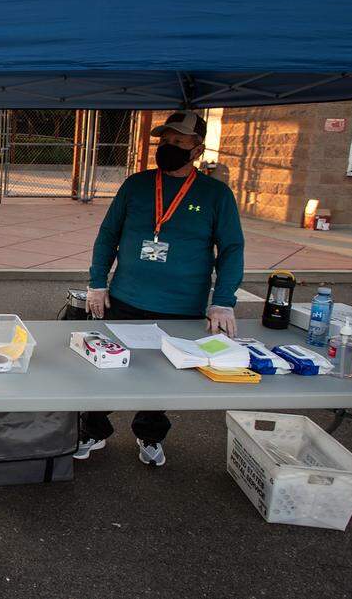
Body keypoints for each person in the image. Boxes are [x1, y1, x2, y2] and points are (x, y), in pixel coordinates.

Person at [80, 111, 244, 467]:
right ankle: (93, 429)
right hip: (126, 298)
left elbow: (231, 249)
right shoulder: (136, 185)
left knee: (162, 379)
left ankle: (150, 435)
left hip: (182, 307)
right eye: (165, 141)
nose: (168, 147)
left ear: (197, 149)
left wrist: (223, 302)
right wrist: (96, 283)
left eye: (179, 142)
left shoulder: (216, 194)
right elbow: (108, 236)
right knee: (106, 369)